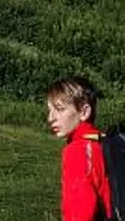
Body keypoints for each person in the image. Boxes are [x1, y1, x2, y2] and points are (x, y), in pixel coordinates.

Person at [46, 77, 110, 221]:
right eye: (50, 110)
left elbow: (79, 213)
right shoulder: (103, 142)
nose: (50, 118)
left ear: (84, 112)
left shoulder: (78, 150)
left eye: (59, 109)